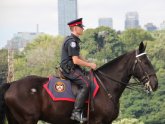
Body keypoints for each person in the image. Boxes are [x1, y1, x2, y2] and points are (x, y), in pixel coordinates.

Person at [60, 18, 97, 122]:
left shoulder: (73, 40)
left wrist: (89, 64)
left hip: (73, 67)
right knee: (86, 84)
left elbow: (78, 55)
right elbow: (75, 61)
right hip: (69, 69)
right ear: (75, 28)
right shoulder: (72, 42)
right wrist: (89, 64)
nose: (83, 29)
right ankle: (76, 112)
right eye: (81, 27)